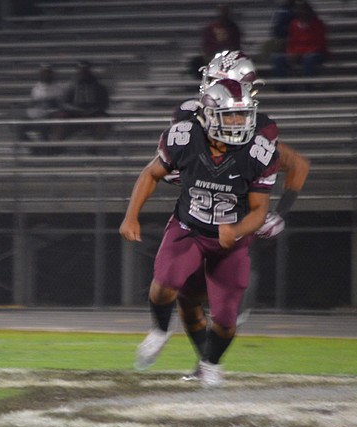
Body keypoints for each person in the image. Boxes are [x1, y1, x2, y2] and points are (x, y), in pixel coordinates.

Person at [119, 79, 280, 387]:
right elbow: (150, 173)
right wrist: (131, 217)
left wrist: (236, 229)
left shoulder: (258, 151)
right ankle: (159, 330)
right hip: (188, 227)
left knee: (226, 319)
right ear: (207, 115)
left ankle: (211, 364)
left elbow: (259, 211)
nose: (238, 122)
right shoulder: (183, 137)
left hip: (230, 240)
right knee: (163, 286)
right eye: (230, 116)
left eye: (243, 115)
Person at [169, 50, 310, 380]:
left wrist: (278, 213)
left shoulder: (260, 129)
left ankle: (208, 363)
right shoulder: (189, 114)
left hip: (235, 224)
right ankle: (205, 362)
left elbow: (298, 165)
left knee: (225, 304)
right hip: (198, 219)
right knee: (186, 296)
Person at [272, 0, 328, 86]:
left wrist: (300, 53)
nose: (301, 13)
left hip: (315, 53)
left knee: (309, 59)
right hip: (298, 53)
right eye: (298, 11)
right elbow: (291, 43)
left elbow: (318, 45)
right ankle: (282, 88)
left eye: (303, 11)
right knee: (278, 58)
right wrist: (291, 53)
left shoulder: (318, 24)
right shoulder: (294, 25)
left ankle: (309, 86)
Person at [55, 61, 111, 142]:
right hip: (74, 115)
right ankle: (57, 147)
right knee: (60, 118)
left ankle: (95, 148)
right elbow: (64, 103)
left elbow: (104, 104)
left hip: (94, 115)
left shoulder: (99, 87)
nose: (83, 72)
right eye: (81, 70)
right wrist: (77, 111)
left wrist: (92, 111)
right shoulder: (70, 86)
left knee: (102, 121)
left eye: (85, 70)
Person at [19, 64, 66, 153]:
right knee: (19, 125)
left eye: (48, 73)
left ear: (52, 74)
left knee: (43, 125)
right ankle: (33, 149)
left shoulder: (58, 88)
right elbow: (32, 105)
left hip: (50, 118)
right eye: (43, 73)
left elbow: (60, 107)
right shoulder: (36, 88)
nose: (45, 75)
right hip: (36, 117)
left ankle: (47, 150)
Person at [188, 4, 242, 79]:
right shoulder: (211, 27)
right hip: (212, 56)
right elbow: (206, 43)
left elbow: (236, 44)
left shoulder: (233, 28)